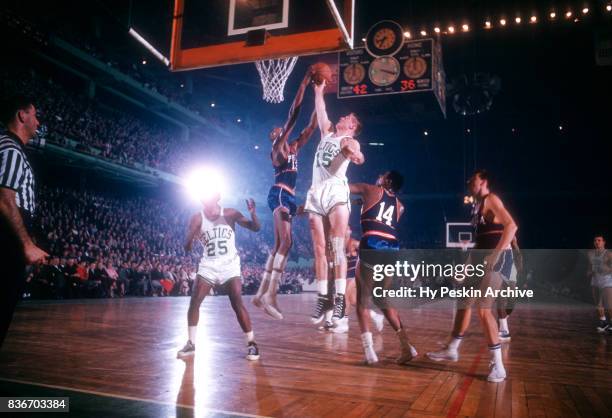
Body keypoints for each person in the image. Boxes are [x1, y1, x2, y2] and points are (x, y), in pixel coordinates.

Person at [427, 169, 518, 383]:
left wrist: (496, 255)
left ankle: (498, 366)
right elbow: (479, 243)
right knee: (463, 300)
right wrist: (466, 266)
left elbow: (512, 226)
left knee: (484, 309)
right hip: (481, 258)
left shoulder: (491, 199)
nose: (470, 182)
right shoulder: (477, 207)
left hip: (498, 259)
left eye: (473, 180)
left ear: (484, 181)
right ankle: (452, 348)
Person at [253, 68, 317, 320]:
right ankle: (271, 295)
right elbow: (294, 114)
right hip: (279, 193)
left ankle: (261, 295)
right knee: (286, 242)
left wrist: (320, 96)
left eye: (279, 130)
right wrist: (304, 81)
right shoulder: (278, 148)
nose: (278, 131)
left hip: (288, 196)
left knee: (281, 244)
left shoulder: (294, 149)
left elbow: (311, 126)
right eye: (275, 132)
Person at [305, 78, 364, 325]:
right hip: (316, 192)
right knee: (319, 250)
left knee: (337, 248)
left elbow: (359, 153)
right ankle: (323, 297)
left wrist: (356, 155)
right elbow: (321, 110)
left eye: (348, 117)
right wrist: (318, 91)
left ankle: (340, 297)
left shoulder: (349, 140)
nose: (343, 117)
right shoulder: (327, 132)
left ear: (351, 126)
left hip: (337, 193)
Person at [177, 188, 262, 361]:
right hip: (209, 264)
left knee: (237, 302)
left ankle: (252, 343)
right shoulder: (196, 218)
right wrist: (190, 238)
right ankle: (191, 343)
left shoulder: (230, 213)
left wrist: (253, 213)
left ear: (217, 197)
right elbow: (186, 247)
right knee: (194, 302)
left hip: (230, 264)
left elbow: (256, 228)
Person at [350, 171, 416, 364]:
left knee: (362, 300)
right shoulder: (400, 206)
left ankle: (370, 352)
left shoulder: (370, 189)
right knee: (383, 298)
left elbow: (342, 187)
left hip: (373, 243)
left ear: (387, 181)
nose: (377, 177)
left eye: (381, 176)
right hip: (392, 249)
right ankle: (407, 346)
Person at [0, 95, 48, 347]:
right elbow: (5, 198)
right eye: (35, 115)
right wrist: (26, 245)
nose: (38, 122)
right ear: (22, 115)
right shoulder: (10, 149)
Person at [331, 227, 384, 334]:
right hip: (347, 274)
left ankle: (343, 324)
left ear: (349, 232)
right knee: (354, 301)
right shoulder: (339, 245)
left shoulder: (355, 243)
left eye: (347, 229)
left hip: (357, 273)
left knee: (344, 295)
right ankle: (376, 316)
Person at [496, 236, 522, 341]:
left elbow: (518, 256)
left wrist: (515, 243)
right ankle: (504, 330)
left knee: (511, 303)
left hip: (511, 276)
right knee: (500, 301)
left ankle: (503, 318)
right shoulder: (496, 242)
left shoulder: (512, 243)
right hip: (499, 275)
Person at [588, 235, 612, 333]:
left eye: (599, 240)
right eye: (595, 240)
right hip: (595, 280)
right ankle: (603, 322)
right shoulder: (590, 253)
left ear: (604, 242)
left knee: (607, 305)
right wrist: (589, 271)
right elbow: (590, 265)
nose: (597, 242)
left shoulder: (608, 254)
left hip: (606, 280)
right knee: (598, 306)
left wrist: (608, 269)